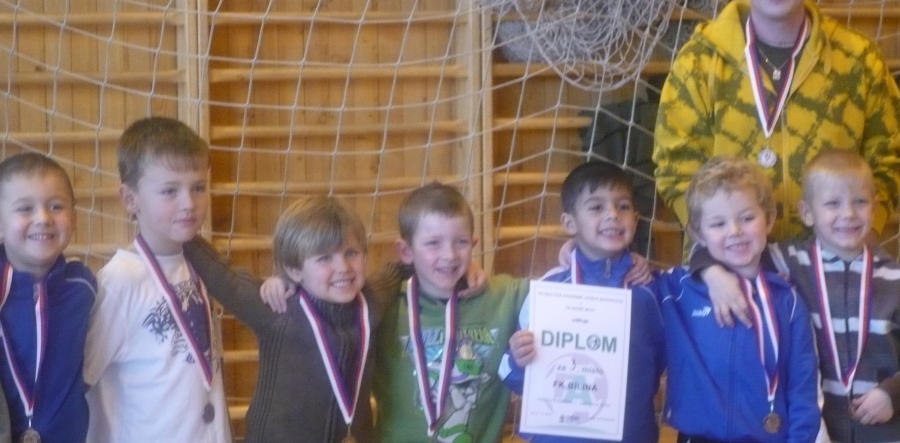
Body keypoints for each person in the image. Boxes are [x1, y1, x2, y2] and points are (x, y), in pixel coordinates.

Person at [653, 0, 900, 244]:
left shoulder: (859, 61)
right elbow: (676, 168)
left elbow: (889, 158)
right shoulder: (698, 62)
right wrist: (714, 252)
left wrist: (860, 238)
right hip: (729, 264)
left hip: (833, 261)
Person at [700, 149, 900, 442]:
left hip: (884, 429)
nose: (848, 214)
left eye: (860, 202)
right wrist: (711, 273)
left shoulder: (894, 277)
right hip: (811, 429)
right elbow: (726, 249)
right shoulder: (785, 260)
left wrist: (893, 393)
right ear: (807, 213)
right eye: (833, 203)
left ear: (875, 207)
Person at [183, 196, 397, 443]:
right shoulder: (278, 308)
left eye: (351, 253)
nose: (343, 267)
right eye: (324, 258)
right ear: (294, 270)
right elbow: (224, 276)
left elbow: (399, 269)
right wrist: (181, 236)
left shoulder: (371, 300)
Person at [83, 117, 232, 443]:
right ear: (130, 199)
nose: (188, 203)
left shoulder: (200, 264)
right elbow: (81, 382)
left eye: (198, 187)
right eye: (169, 191)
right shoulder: (119, 282)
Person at [499, 160, 665, 443]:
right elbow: (511, 376)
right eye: (597, 207)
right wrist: (518, 360)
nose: (613, 214)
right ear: (569, 223)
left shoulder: (651, 290)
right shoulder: (548, 291)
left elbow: (664, 359)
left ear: (636, 220)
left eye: (623, 206)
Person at [659, 156, 820, 442]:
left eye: (747, 218)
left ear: (769, 219)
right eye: (718, 223)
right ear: (697, 233)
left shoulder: (789, 301)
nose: (734, 231)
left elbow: (802, 390)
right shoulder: (677, 291)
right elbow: (624, 286)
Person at [373, 182, 529, 443]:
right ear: (405, 251)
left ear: (474, 244)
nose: (450, 255)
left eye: (461, 242)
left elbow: (567, 296)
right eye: (433, 243)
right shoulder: (385, 306)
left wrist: (574, 253)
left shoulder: (504, 296)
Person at [0, 153, 95, 443]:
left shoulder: (84, 286)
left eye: (56, 206)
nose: (43, 218)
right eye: (25, 208)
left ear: (74, 219)